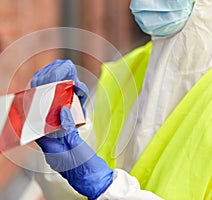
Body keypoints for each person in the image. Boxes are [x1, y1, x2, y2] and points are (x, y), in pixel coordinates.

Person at [30, 0, 212, 199]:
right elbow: (63, 187)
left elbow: (95, 181)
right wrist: (63, 121)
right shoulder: (127, 70)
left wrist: (107, 190)